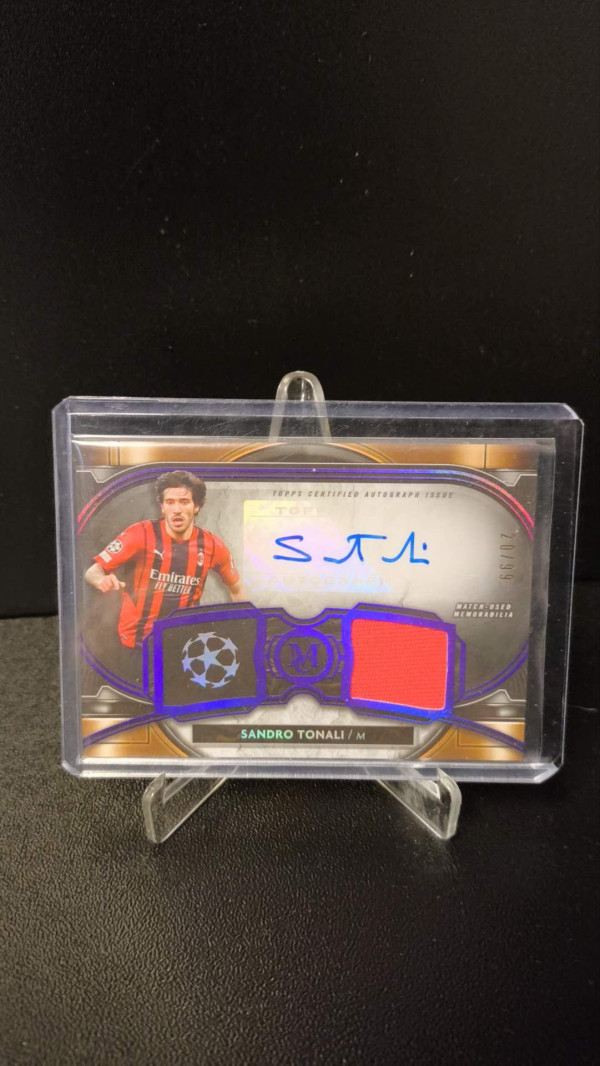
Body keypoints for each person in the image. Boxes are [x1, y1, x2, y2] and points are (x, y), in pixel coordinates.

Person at [85, 470, 244, 650]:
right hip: (137, 643)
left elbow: (237, 589)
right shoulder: (140, 534)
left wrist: (245, 630)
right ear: (162, 507)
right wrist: (101, 580)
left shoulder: (213, 545)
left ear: (196, 507)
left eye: (184, 502)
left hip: (184, 644)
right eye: (170, 502)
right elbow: (93, 572)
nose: (177, 510)